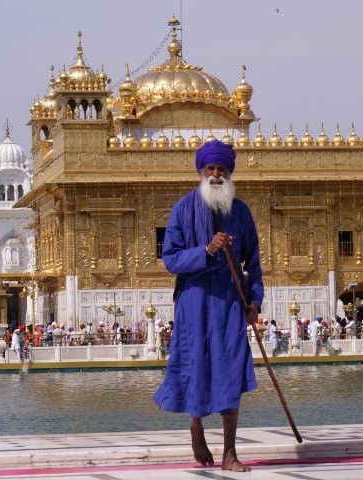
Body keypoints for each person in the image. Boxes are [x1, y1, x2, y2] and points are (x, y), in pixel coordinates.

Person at [152, 140, 263, 472]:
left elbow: (254, 261)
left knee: (231, 370)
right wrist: (208, 250)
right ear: (201, 172)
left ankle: (230, 452)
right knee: (196, 366)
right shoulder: (183, 209)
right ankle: (196, 428)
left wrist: (255, 300)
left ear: (229, 173)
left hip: (230, 302)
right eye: (210, 169)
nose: (216, 175)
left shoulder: (240, 212)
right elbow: (170, 259)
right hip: (195, 301)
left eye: (222, 169)